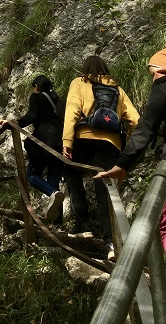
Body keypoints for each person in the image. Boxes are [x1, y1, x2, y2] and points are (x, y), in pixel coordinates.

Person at [62, 55, 139, 259]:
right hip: (110, 144)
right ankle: (111, 243)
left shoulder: (80, 82)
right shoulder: (117, 89)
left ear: (85, 68)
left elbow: (72, 112)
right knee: (105, 189)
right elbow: (136, 120)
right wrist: (126, 145)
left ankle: (83, 224)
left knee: (71, 171)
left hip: (84, 140)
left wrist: (67, 142)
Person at [94, 49, 166, 251]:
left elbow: (145, 127)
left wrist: (123, 164)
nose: (154, 78)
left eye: (154, 73)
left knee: (164, 224)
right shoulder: (116, 88)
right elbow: (134, 118)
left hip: (95, 144)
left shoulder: (162, 85)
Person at [0, 75, 65, 222]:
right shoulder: (57, 99)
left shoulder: (36, 97)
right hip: (60, 141)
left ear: (36, 87)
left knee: (31, 175)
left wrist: (13, 123)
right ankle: (58, 224)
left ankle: (52, 192)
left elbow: (31, 116)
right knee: (54, 180)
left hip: (44, 141)